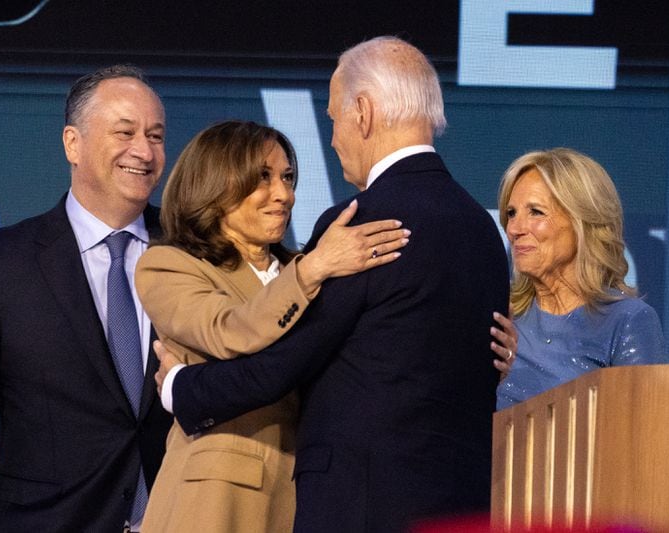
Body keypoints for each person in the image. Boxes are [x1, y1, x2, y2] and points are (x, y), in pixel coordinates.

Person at [158, 36, 510, 532]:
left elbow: (284, 365)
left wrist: (181, 387)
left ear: (363, 113)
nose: (333, 137)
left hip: (362, 505)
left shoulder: (358, 223)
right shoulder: (483, 230)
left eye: (332, 118)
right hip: (462, 505)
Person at [0, 65, 173, 532]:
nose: (144, 150)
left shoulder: (191, 249)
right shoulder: (1, 264)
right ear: (72, 144)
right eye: (125, 132)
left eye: (156, 136)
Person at [135, 120, 409, 532]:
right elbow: (230, 331)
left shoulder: (305, 271)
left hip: (307, 496)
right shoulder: (168, 265)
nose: (284, 194)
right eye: (262, 178)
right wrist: (312, 269)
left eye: (287, 177)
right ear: (213, 182)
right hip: (215, 501)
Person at [495, 148, 668, 410]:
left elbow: (644, 433)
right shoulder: (499, 317)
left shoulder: (626, 322)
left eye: (536, 212)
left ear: (582, 221)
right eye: (511, 213)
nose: (515, 229)